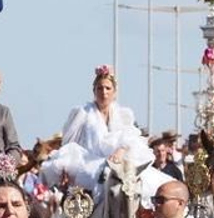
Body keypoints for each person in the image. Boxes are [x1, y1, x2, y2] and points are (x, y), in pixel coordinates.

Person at [41, 65, 155, 193]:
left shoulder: (124, 114)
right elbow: (69, 144)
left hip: (119, 167)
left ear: (114, 92)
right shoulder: (82, 113)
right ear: (94, 91)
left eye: (108, 88)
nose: (104, 92)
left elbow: (131, 138)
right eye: (100, 88)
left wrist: (121, 150)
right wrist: (66, 166)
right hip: (89, 167)